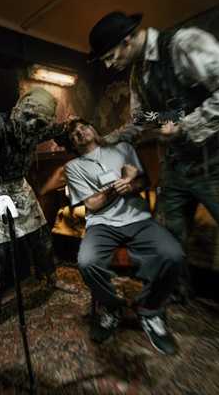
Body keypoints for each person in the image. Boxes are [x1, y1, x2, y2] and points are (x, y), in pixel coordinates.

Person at [87, 11, 219, 348]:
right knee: (163, 240)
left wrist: (188, 125)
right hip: (177, 167)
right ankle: (174, 293)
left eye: (110, 56)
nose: (109, 66)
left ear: (127, 40)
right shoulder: (138, 73)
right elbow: (146, 119)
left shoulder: (183, 44)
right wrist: (107, 139)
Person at [62, 117, 184, 355]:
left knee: (173, 254)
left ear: (93, 128)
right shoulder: (73, 167)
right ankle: (111, 307)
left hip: (137, 218)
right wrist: (118, 186)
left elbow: (143, 181)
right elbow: (92, 205)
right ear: (72, 143)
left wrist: (131, 185)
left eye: (84, 126)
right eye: (74, 134)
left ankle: (149, 310)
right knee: (87, 262)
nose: (80, 132)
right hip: (101, 224)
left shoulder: (124, 148)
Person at [0, 87, 77, 340]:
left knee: (42, 239)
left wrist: (69, 128)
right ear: (17, 108)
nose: (31, 125)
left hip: (20, 187)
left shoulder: (39, 127)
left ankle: (50, 277)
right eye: (27, 116)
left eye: (39, 122)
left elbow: (58, 129)